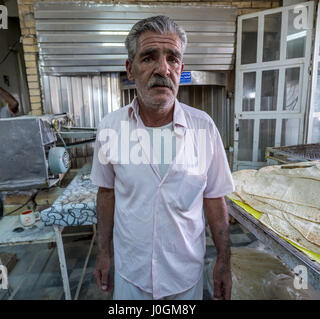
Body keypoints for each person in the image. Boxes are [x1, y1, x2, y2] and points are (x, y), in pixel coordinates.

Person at [90, 16, 235, 300]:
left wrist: (224, 260)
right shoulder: (111, 128)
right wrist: (104, 254)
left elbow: (214, 198)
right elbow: (106, 194)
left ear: (181, 68)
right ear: (130, 69)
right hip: (132, 275)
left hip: (185, 277)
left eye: (173, 58)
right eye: (149, 57)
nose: (163, 69)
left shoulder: (203, 128)